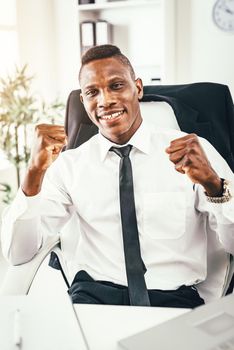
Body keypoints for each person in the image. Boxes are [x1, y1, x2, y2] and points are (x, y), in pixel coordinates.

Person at [1, 45, 234, 308]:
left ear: (138, 88)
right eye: (92, 92)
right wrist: (34, 172)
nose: (105, 100)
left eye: (116, 85)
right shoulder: (70, 165)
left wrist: (214, 186)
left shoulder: (193, 151)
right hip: (95, 299)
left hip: (173, 301)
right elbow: (18, 254)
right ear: (84, 102)